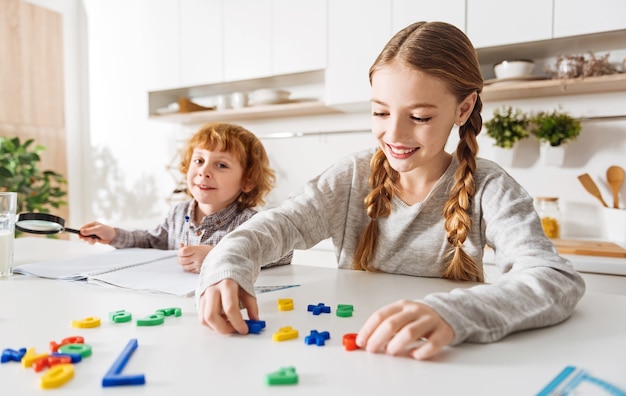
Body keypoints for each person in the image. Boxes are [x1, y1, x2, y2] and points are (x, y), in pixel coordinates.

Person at [195, 22, 585, 360]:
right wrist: (226, 266)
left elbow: (553, 278)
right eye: (380, 112)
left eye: (419, 117)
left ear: (463, 110)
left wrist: (455, 314)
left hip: (441, 359)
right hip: (355, 354)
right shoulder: (352, 176)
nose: (394, 134)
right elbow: (274, 227)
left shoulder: (489, 186)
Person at [78, 122, 292, 273]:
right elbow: (152, 241)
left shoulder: (249, 222)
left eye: (221, 165)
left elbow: (283, 253)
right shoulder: (178, 214)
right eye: (199, 161)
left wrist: (219, 255)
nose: (204, 171)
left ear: (247, 181)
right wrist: (113, 234)